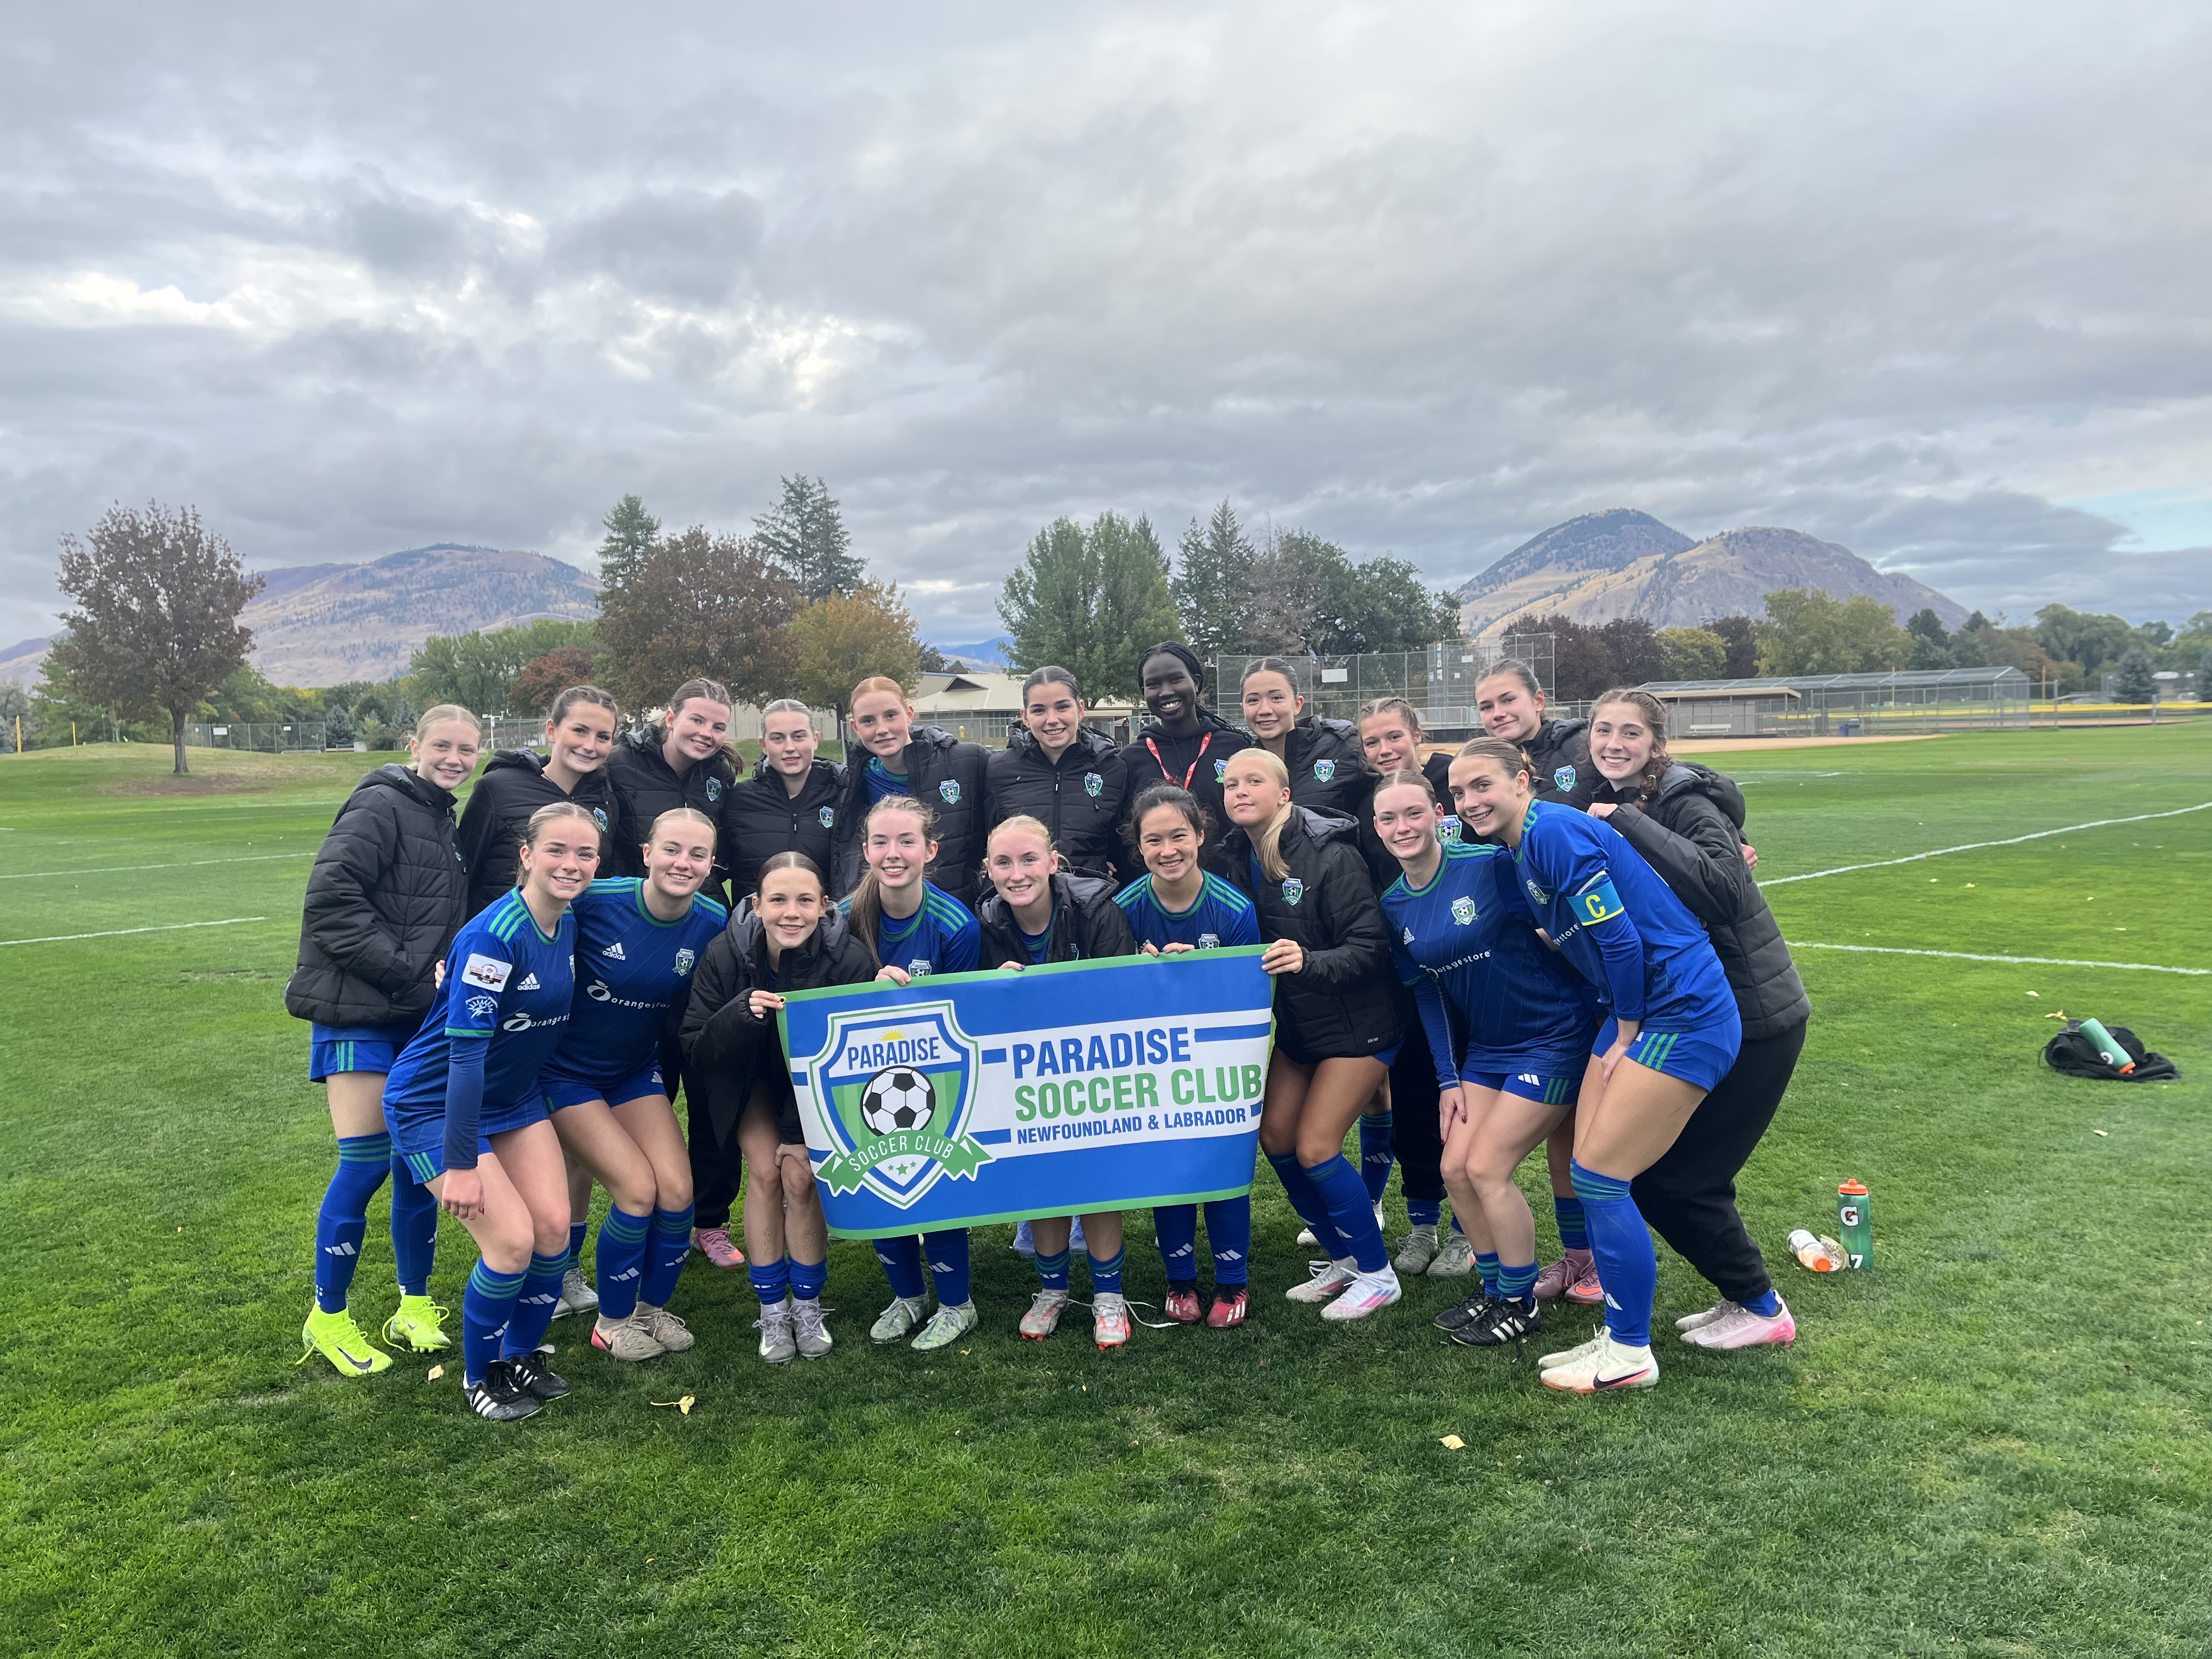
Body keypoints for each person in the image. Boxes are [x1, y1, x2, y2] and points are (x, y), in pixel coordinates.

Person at [1449, 737, 1742, 1394]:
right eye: (1459, 792)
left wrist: (1628, 1025)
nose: (1469, 801)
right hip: (1635, 1006)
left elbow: (1619, 937)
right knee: (1590, 1172)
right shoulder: (1522, 849)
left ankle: (1631, 1349)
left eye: (1482, 785)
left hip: (1678, 1009)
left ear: (1522, 780)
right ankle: (1625, 1330)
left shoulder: (1552, 832)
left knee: (1601, 1177)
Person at [1585, 689, 1807, 1351]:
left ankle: (1761, 1307)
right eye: (1603, 730)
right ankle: (1746, 1296)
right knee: (1666, 1177)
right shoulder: (1623, 800)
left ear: (1656, 741)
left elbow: (1726, 889)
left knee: (1678, 1181)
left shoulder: (1682, 800)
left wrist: (1628, 823)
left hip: (1753, 1014)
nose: (1614, 743)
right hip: (1698, 1012)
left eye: (1630, 732)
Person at [381, 802, 601, 1420]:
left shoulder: (568, 919)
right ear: (526, 856)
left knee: (553, 1232)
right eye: (556, 850)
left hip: (512, 1098)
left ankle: (521, 1354)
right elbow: (465, 1059)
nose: (572, 864)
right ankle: (479, 1377)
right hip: (436, 1100)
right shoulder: (493, 937)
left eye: (585, 853)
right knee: (510, 1244)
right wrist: (460, 1165)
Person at [1370, 767, 1601, 1350]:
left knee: (1488, 1169)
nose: (1403, 827)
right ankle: (1496, 1288)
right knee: (1454, 1169)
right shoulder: (1393, 905)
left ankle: (1520, 1303)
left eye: (1414, 813)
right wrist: (1448, 1078)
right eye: (1389, 818)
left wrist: (1604, 1003)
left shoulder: (1490, 865)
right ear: (1377, 828)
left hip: (1554, 1036)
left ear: (1439, 816)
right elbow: (1427, 993)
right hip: (1489, 1049)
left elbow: (1566, 924)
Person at [285, 704, 480, 1376]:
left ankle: (413, 1306)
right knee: (365, 1163)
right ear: (414, 746)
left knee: (415, 1165)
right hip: (358, 1012)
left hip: (414, 1017)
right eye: (443, 745)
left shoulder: (441, 816)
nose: (454, 759)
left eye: (467, 750)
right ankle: (328, 1317)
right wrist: (409, 976)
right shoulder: (380, 803)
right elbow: (331, 903)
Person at [453, 684, 625, 1318]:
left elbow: (600, 887)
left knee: (564, 1141)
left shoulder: (606, 797)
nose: (590, 744)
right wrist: (454, 955)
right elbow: (462, 874)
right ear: (551, 730)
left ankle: (561, 1266)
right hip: (494, 973)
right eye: (579, 730)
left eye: (603, 736)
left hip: (558, 973)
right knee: (474, 1095)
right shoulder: (500, 788)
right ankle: (508, 1256)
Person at [1219, 749, 1406, 1321]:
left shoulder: (1331, 853)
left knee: (1316, 1147)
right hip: (1303, 1025)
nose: (1239, 790)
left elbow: (1371, 948)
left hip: (1362, 1025)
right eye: (1230, 783)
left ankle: (1378, 1275)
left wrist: (1308, 960)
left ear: (1284, 794)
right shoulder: (1234, 855)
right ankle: (1343, 1260)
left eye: (1254, 780)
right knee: (1275, 1138)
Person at [537, 808, 728, 1363]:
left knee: (678, 1192)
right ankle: (612, 1323)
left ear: (712, 865)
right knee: (637, 1191)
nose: (683, 863)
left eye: (697, 854)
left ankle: (649, 1311)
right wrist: (460, 964)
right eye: (671, 849)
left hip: (634, 1070)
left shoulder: (713, 921)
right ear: (647, 853)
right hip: (564, 1072)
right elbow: (523, 919)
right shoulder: (596, 899)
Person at [681, 852, 878, 1364]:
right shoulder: (724, 953)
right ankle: (772, 1308)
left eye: (805, 900)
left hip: (811, 1086)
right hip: (745, 1080)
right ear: (756, 904)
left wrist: (796, 1132)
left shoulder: (850, 960)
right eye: (778, 900)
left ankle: (807, 1306)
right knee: (767, 1174)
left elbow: (847, 1058)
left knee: (799, 1175)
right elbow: (697, 1049)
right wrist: (740, 1013)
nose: (792, 912)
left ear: (825, 905)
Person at [977, 815, 1141, 1347]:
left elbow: (1121, 993)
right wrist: (991, 988)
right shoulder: (985, 922)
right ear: (988, 869)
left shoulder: (1097, 910)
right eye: (1004, 862)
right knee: (1042, 1174)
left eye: (1029, 859)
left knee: (1094, 1178)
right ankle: (1052, 1290)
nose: (1017, 873)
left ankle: (1109, 1296)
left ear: (1053, 862)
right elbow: (973, 1009)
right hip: (1026, 1071)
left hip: (1093, 1064)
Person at [1473, 659, 1605, 1302]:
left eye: (1507, 700)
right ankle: (1577, 1257)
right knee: (1561, 1138)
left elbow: (1659, 783)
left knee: (1591, 1142)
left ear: (1539, 699)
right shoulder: (1486, 772)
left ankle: (1601, 1261)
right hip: (1546, 960)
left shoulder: (1582, 747)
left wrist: (1728, 829)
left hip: (1596, 955)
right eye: (1486, 706)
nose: (1498, 713)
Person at [837, 795, 987, 1351]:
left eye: (907, 842)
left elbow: (961, 1016)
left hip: (933, 1076)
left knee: (933, 1183)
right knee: (881, 1182)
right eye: (881, 842)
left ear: (931, 850)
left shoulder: (956, 925)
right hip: (861, 1075)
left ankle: (957, 1303)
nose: (893, 853)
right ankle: (908, 1296)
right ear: (866, 850)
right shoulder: (842, 917)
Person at [604, 678, 743, 1268]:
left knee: (714, 1095)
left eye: (718, 725)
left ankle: (710, 1221)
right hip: (636, 942)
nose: (706, 734)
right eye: (697, 721)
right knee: (649, 1089)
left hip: (700, 938)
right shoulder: (620, 765)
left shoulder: (721, 778)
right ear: (669, 716)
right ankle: (651, 1211)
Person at [1114, 784, 1261, 1328]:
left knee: (1222, 1164)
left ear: (1200, 835)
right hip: (1152, 1063)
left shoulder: (1235, 909)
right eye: (1153, 840)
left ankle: (1232, 1281)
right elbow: (1110, 999)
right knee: (1170, 1164)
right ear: (1139, 847)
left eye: (1178, 835)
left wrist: (1197, 977)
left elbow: (1250, 999)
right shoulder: (1123, 909)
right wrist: (1146, 975)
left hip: (1219, 1063)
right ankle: (1180, 1280)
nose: (1167, 850)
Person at [1350, 696, 1465, 1276]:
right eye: (1372, 741)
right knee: (1415, 1102)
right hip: (1409, 973)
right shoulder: (1366, 808)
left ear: (1418, 734)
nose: (1385, 749)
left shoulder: (1458, 782)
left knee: (1467, 1107)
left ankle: (1467, 1230)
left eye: (1394, 736)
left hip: (1471, 977)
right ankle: (1423, 1223)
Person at [829, 675, 990, 909]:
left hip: (957, 912)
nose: (882, 729)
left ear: (909, 714)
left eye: (891, 715)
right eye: (868, 721)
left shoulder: (968, 762)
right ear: (855, 727)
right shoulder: (853, 782)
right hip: (884, 912)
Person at [986, 666, 1129, 882]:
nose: (1052, 719)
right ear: (1025, 717)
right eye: (1039, 710)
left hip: (1092, 897)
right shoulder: (999, 770)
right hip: (1023, 896)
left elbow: (1121, 847)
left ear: (1080, 709)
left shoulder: (1112, 768)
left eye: (1062, 707)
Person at [1121, 642, 1254, 873]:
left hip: (1230, 885)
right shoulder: (1130, 760)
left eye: (1176, 679)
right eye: (1153, 684)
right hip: (1159, 887)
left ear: (1196, 682)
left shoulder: (1236, 748)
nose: (1165, 692)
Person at [720, 698, 845, 904]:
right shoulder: (737, 800)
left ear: (815, 740)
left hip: (825, 920)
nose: (790, 747)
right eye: (778, 738)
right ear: (763, 745)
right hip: (755, 922)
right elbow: (714, 870)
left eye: (799, 736)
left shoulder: (842, 795)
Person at [1238, 657, 1375, 819]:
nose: (1265, 710)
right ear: (1243, 708)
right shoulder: (1241, 764)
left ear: (1297, 705)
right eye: (1253, 700)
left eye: (1277, 698)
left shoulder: (1345, 746)